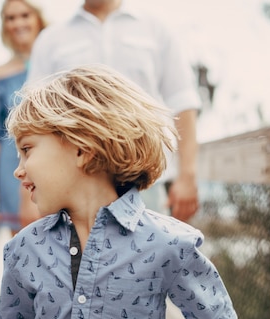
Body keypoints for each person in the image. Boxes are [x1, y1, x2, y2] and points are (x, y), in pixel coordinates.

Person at [0, 65, 270, 319]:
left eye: (27, 149)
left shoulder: (165, 242)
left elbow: (211, 310)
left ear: (82, 150)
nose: (18, 169)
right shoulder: (24, 250)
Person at [27, 0, 200, 222]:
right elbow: (33, 116)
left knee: (148, 254)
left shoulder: (156, 29)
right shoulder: (51, 39)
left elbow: (182, 101)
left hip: (146, 184)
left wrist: (187, 175)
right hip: (73, 184)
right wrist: (28, 192)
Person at [0, 0, 46, 235]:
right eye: (10, 18)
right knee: (22, 241)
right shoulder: (1, 74)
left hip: (51, 160)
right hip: (13, 165)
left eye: (24, 15)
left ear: (37, 18)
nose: (18, 23)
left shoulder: (56, 61)